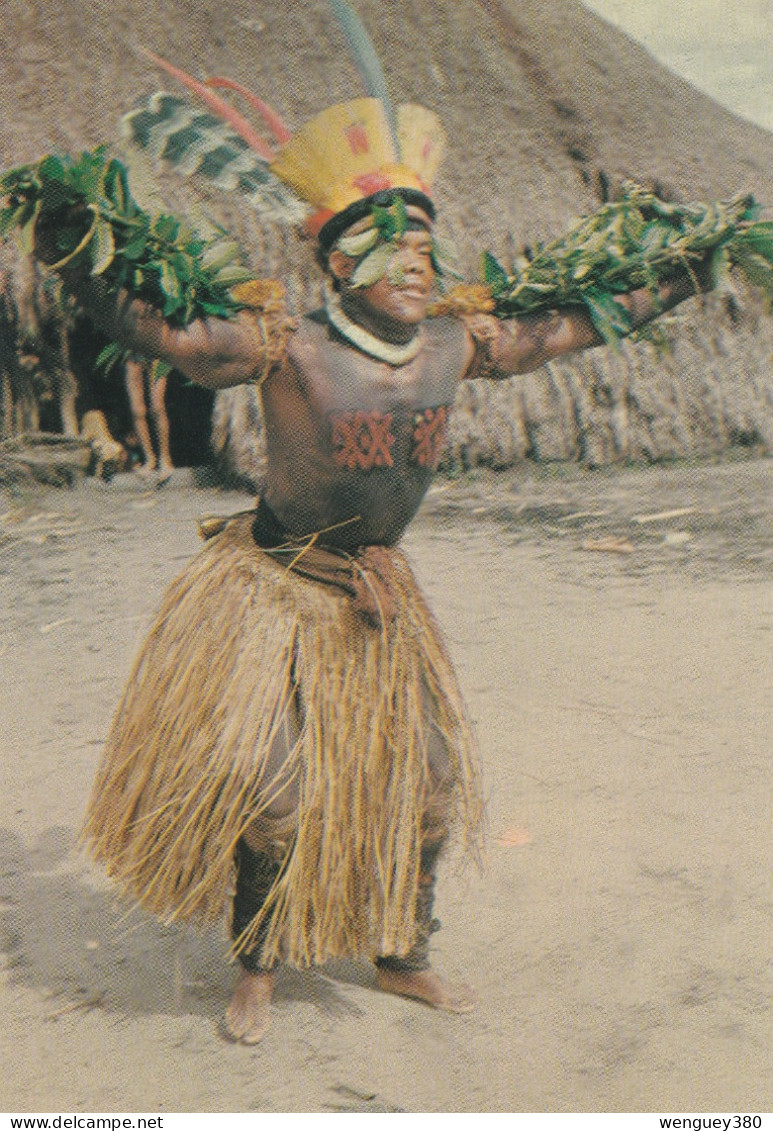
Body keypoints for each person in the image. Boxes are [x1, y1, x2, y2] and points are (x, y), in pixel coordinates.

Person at [37, 93, 716, 1046]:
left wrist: (690, 266)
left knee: (431, 783)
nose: (413, 268)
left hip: (380, 594)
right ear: (334, 262)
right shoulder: (286, 344)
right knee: (276, 797)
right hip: (275, 591)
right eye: (389, 253)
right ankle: (259, 967)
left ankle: (402, 952)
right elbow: (170, 339)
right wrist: (69, 242)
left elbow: (575, 325)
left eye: (425, 253)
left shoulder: (454, 339)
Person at [124, 355, 174, 478]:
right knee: (137, 409)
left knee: (157, 406)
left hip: (156, 349)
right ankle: (149, 458)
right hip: (133, 350)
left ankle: (165, 459)